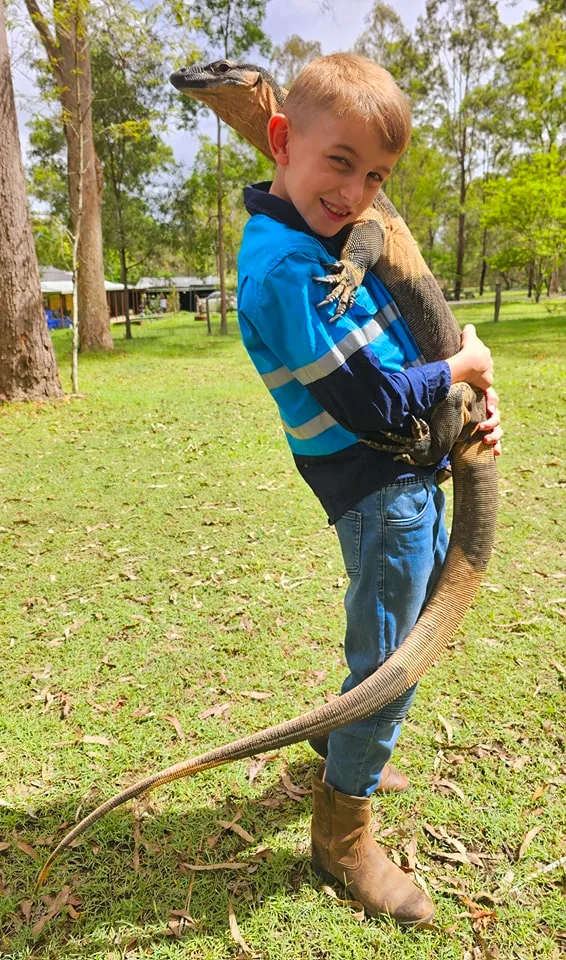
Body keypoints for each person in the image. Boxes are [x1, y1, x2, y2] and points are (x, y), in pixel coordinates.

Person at [237, 53, 502, 927]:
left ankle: (336, 733)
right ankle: (343, 834)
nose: (357, 192)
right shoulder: (283, 270)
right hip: (378, 489)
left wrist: (466, 416)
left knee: (393, 634)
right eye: (339, 161)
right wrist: (458, 368)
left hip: (412, 475)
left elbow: (395, 362)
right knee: (396, 663)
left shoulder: (320, 244)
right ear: (281, 139)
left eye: (376, 175)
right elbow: (374, 399)